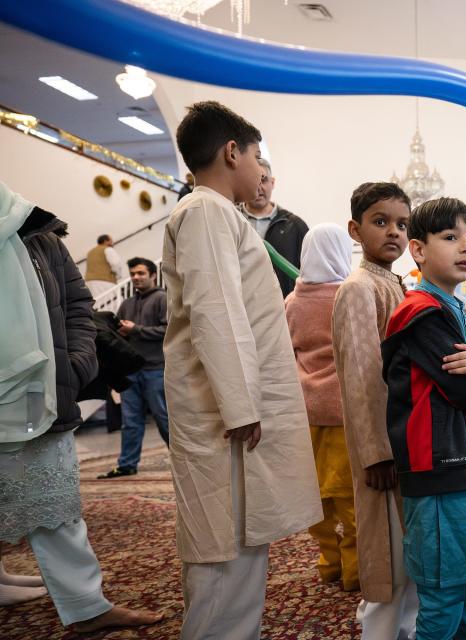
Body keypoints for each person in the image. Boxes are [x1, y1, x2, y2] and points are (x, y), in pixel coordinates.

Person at [163, 101, 323, 639]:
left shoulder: (216, 212)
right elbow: (217, 312)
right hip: (223, 413)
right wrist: (240, 406)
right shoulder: (205, 211)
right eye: (258, 156)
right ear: (232, 152)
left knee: (240, 537)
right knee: (223, 544)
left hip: (231, 408)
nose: (261, 170)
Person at [0, 181, 161, 632]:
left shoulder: (37, 233)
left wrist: (75, 363)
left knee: (52, 498)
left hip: (39, 388)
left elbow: (77, 304)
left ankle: (86, 605)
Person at [382, 197, 466, 640]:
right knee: (444, 592)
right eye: (451, 237)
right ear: (418, 251)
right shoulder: (419, 314)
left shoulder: (462, 313)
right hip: (440, 466)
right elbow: (465, 389)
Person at [332, 182, 418, 639]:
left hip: (406, 442)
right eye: (380, 222)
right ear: (355, 229)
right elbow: (363, 378)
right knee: (388, 556)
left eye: (402, 224)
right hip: (384, 450)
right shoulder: (359, 288)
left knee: (411, 552)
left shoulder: (394, 284)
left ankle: (407, 630)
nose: (394, 233)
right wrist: (377, 452)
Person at [285, 223, 359, 591]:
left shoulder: (291, 302)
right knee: (351, 500)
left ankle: (329, 564)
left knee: (319, 498)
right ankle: (355, 571)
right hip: (345, 413)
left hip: (306, 412)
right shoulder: (349, 296)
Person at [97, 257, 169, 479]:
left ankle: (184, 460)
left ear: (153, 275)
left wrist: (136, 330)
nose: (136, 277)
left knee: (164, 417)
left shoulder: (163, 299)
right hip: (130, 372)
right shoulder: (126, 304)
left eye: (141, 273)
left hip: (155, 369)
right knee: (130, 421)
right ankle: (127, 464)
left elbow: (168, 331)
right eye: (133, 274)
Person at [241, 158, 309, 298]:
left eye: (263, 180)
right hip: (241, 309)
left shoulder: (295, 226)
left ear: (272, 183)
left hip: (283, 310)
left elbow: (308, 274)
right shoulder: (232, 221)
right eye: (254, 180)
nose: (259, 186)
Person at [83, 234, 123, 299]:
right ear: (105, 241)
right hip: (105, 281)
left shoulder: (90, 252)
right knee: (112, 301)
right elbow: (116, 264)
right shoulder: (108, 249)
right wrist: (118, 276)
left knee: (98, 303)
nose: (112, 243)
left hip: (89, 282)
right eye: (111, 241)